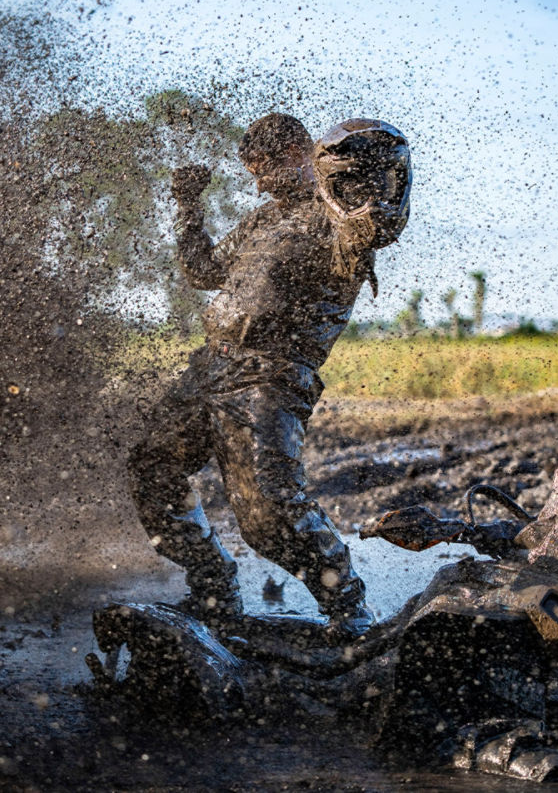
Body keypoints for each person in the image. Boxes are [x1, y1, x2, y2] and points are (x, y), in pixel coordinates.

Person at [124, 114, 411, 638]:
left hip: (270, 377)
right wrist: (189, 207)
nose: (257, 185)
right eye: (252, 175)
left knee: (268, 512)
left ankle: (350, 612)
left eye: (264, 172)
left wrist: (367, 175)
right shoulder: (263, 219)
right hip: (212, 366)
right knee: (151, 467)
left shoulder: (338, 216)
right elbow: (203, 271)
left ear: (300, 154)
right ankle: (214, 588)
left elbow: (375, 226)